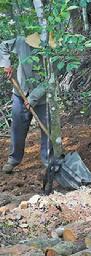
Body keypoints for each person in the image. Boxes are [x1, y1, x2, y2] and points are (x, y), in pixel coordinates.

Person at [0, 33, 54, 173]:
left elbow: (49, 80)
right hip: (20, 92)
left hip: (42, 98)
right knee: (17, 127)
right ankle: (13, 159)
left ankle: (48, 162)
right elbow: (3, 46)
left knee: (47, 128)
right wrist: (6, 64)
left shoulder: (52, 55)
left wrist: (32, 99)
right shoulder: (21, 41)